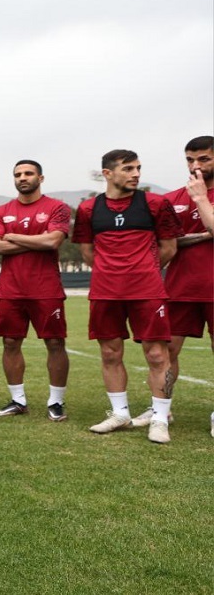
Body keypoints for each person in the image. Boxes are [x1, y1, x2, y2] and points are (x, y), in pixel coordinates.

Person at [72, 149, 181, 444]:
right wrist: (113, 274)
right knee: (110, 353)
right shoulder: (88, 209)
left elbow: (169, 247)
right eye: (128, 168)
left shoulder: (156, 204)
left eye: (138, 168)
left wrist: (142, 271)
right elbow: (87, 252)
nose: (136, 174)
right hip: (105, 292)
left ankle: (160, 419)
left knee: (157, 355)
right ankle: (120, 414)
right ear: (107, 174)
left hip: (147, 290)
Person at [130, 136, 212, 435]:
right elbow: (164, 242)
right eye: (190, 159)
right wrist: (203, 236)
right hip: (180, 287)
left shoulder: (197, 195)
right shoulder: (172, 199)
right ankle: (161, 409)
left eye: (204, 159)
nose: (195, 165)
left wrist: (201, 199)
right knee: (165, 352)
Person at [0, 160, 72, 421]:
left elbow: (53, 241)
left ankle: (56, 402)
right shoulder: (2, 211)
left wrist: (12, 236)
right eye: (18, 174)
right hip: (10, 289)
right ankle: (18, 400)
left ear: (40, 178)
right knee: (10, 342)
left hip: (46, 287)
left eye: (28, 173)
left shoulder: (57, 207)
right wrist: (37, 241)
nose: (22, 178)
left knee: (55, 343)